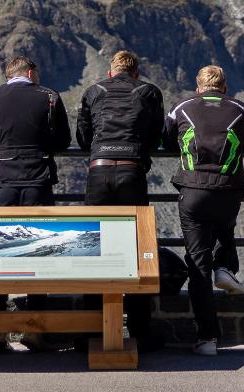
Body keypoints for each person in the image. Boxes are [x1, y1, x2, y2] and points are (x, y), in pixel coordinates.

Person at [165, 65, 244, 357]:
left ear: (198, 88)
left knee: (198, 265)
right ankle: (226, 268)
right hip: (228, 191)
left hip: (193, 191)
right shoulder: (241, 108)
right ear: (224, 88)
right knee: (225, 226)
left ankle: (207, 339)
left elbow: (165, 138)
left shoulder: (182, 108)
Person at [0, 55, 72, 354]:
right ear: (31, 72)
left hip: (4, 181)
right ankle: (34, 330)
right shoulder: (49, 96)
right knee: (39, 251)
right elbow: (63, 140)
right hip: (38, 180)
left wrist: (1, 150)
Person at [77, 49, 165, 350]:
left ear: (111, 70)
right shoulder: (148, 91)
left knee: (93, 247)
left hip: (98, 171)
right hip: (132, 172)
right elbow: (156, 135)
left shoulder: (94, 90)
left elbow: (83, 135)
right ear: (136, 71)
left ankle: (91, 329)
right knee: (136, 249)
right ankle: (140, 330)